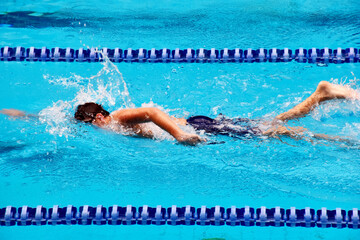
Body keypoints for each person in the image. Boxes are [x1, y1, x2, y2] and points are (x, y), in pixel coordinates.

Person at [1, 81, 358, 145]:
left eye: (90, 125)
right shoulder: (103, 123)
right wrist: (15, 114)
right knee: (272, 125)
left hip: (200, 126)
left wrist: (181, 135)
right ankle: (321, 96)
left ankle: (340, 138)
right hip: (201, 124)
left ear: (97, 118)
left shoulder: (118, 118)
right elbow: (45, 118)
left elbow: (152, 111)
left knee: (277, 132)